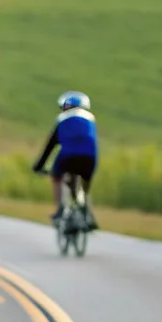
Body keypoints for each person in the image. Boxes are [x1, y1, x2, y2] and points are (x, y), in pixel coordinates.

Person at [32, 90, 98, 228]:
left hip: (67, 157)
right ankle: (86, 211)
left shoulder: (62, 119)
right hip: (90, 158)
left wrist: (39, 166)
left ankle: (60, 209)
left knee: (57, 177)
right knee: (85, 182)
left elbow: (50, 146)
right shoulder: (90, 118)